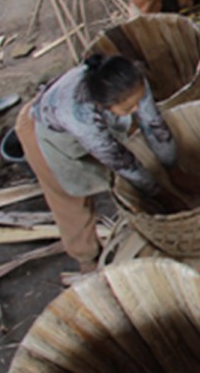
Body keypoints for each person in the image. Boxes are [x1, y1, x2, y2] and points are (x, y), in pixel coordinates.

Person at [14, 54, 176, 273]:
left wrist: (173, 168)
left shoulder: (130, 79)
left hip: (75, 119)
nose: (136, 108)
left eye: (137, 101)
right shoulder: (80, 116)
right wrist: (158, 191)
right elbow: (120, 161)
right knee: (71, 201)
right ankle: (86, 259)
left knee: (130, 165)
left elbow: (154, 125)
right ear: (103, 105)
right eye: (128, 108)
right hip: (43, 132)